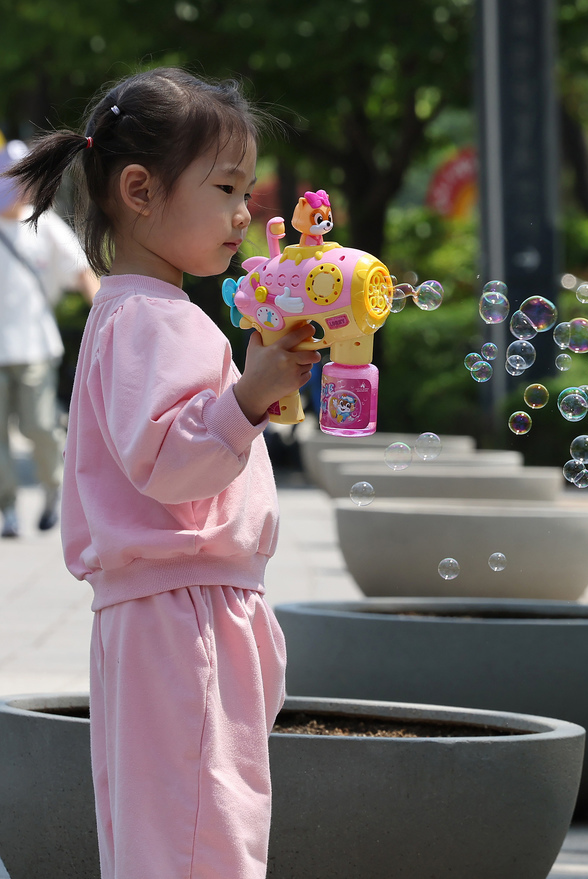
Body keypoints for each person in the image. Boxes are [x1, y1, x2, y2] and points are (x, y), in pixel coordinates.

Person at [4, 67, 317, 878]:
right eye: (226, 188)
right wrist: (248, 397)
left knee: (165, 831)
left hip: (165, 611)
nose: (244, 211)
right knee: (202, 836)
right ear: (140, 190)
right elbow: (172, 464)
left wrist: (248, 389)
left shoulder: (132, 312)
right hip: (186, 614)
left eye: (245, 191)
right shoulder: (155, 318)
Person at [0, 137, 100, 537]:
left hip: (35, 346)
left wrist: (109, 316)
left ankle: (53, 488)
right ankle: (7, 507)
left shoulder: (44, 223)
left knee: (40, 426)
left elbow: (82, 272)